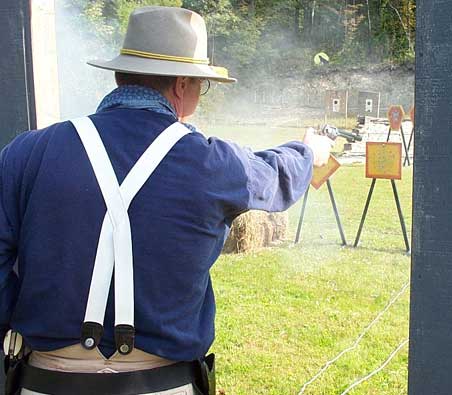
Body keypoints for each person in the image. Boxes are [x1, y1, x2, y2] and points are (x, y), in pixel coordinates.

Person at [0, 6, 332, 395]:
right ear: (181, 84)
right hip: (164, 385)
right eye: (199, 85)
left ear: (120, 76)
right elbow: (275, 174)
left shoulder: (28, 152)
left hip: (44, 382)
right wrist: (310, 152)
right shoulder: (211, 162)